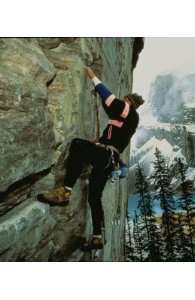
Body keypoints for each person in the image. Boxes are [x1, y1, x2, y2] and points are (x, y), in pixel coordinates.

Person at [37, 67, 144, 248]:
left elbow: (110, 100)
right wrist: (98, 142)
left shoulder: (130, 112)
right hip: (108, 161)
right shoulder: (124, 121)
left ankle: (65, 191)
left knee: (78, 145)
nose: (123, 102)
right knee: (94, 198)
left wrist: (94, 78)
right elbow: (111, 118)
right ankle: (97, 237)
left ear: (129, 102)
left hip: (105, 157)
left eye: (125, 100)